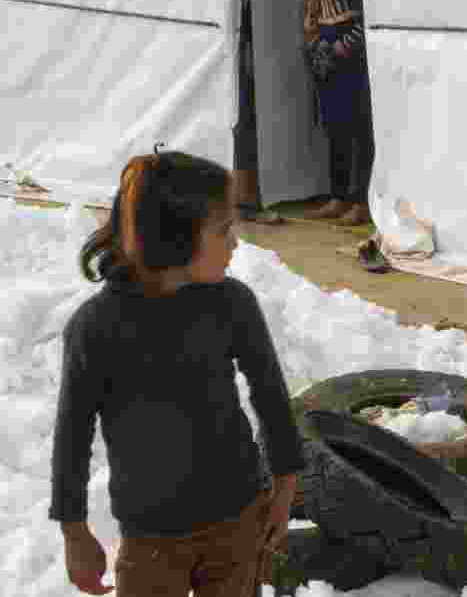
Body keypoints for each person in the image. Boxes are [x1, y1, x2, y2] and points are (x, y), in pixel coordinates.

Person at [49, 149, 305, 596]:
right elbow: (72, 434)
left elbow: (270, 395)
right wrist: (74, 532)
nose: (236, 242)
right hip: (150, 539)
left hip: (238, 523)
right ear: (177, 237)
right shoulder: (96, 328)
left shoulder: (232, 304)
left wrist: (284, 485)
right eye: (224, 230)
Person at [296, 0, 375, 227]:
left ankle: (360, 199)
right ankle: (339, 194)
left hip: (347, 43)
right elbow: (313, 14)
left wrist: (344, 45)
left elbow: (364, 16)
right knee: (334, 124)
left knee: (357, 124)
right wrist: (315, 39)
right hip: (326, 43)